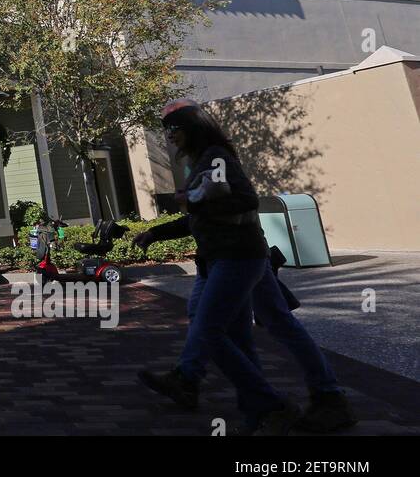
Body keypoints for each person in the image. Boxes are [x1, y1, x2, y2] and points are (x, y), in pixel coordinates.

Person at [135, 100, 340, 436]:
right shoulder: (201, 161)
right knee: (240, 332)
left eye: (173, 129)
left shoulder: (214, 157)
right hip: (223, 258)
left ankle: (283, 402)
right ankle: (257, 408)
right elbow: (201, 215)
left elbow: (244, 200)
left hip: (237, 258)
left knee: (213, 329)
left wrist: (197, 201)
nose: (169, 136)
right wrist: (157, 232)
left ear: (192, 127)